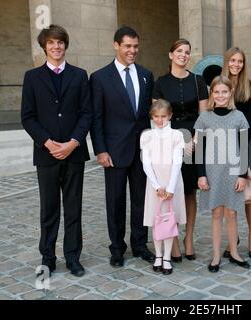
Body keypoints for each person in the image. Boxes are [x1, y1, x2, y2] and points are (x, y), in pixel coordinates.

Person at [21, 24, 92, 277]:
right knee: (49, 209)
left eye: (60, 42)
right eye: (51, 43)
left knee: (73, 208)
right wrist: (48, 143)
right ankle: (48, 257)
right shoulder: (32, 77)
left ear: (65, 45)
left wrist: (73, 142)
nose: (56, 46)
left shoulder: (80, 75)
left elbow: (87, 113)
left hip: (74, 153)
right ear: (44, 47)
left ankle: (73, 257)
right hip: (46, 155)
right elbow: (27, 117)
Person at [90, 26, 155, 268]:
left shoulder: (147, 74)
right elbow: (96, 118)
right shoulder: (99, 77)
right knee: (115, 202)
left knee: (141, 200)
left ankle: (140, 245)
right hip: (114, 152)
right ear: (116, 45)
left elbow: (148, 114)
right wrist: (100, 150)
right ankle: (117, 248)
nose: (132, 51)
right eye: (127, 46)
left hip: (141, 151)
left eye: (136, 46)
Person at [152, 39, 209, 262]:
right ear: (171, 54)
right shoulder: (161, 83)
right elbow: (158, 117)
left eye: (187, 52)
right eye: (179, 51)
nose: (183, 55)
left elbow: (203, 116)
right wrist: (175, 141)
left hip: (194, 139)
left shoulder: (198, 81)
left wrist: (194, 140)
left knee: (190, 191)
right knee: (172, 189)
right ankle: (172, 239)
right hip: (169, 139)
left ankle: (189, 238)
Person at [194, 75, 251, 272]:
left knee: (232, 213)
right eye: (216, 92)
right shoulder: (204, 118)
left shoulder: (239, 117)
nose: (220, 95)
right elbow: (199, 149)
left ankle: (234, 252)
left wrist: (243, 175)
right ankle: (216, 255)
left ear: (230, 93)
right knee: (217, 213)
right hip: (212, 172)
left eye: (224, 92)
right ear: (212, 94)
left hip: (233, 171)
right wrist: (201, 175)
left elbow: (244, 149)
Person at [221, 47, 251, 259]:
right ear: (227, 62)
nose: (236, 64)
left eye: (240, 61)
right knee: (230, 196)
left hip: (244, 144)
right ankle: (232, 237)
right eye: (233, 61)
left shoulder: (250, 86)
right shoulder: (219, 86)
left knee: (249, 196)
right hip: (225, 148)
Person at [141, 99, 187, 275]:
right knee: (156, 220)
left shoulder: (177, 135)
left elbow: (177, 162)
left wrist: (170, 187)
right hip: (155, 184)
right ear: (152, 117)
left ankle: (167, 256)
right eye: (156, 117)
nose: (160, 120)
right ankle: (158, 255)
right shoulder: (147, 135)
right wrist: (156, 185)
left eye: (163, 116)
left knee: (169, 220)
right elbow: (146, 163)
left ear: (170, 116)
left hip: (172, 182)